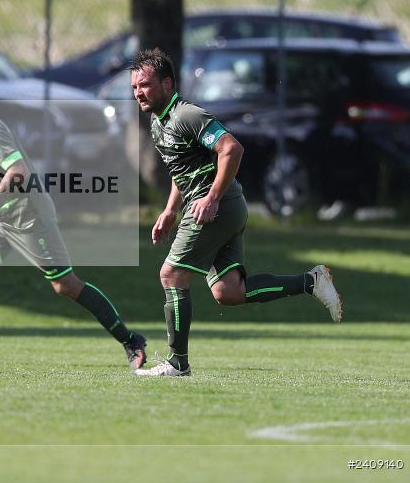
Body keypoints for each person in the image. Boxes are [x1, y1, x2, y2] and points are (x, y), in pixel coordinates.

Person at [129, 48, 343, 377]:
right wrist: (170, 209)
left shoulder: (186, 115)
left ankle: (177, 363)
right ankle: (311, 282)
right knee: (229, 292)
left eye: (144, 85)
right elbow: (180, 168)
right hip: (221, 206)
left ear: (168, 83)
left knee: (171, 275)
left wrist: (212, 197)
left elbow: (231, 148)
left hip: (216, 206)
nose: (138, 93)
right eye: (134, 88)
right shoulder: (159, 123)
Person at [0, 73, 146, 367]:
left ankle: (130, 340)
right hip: (0, 218)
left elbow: (18, 171)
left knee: (66, 286)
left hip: (28, 215)